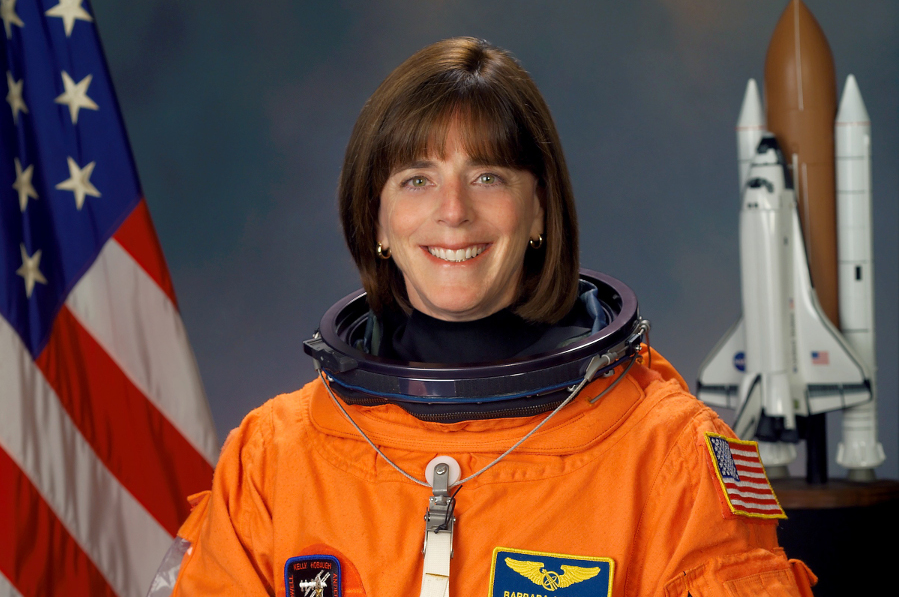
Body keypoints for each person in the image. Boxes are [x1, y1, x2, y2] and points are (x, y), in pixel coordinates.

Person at [152, 37, 816, 597]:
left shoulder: (666, 456)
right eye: (416, 179)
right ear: (375, 217)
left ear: (537, 211)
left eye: (487, 177)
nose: (452, 212)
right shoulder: (274, 462)